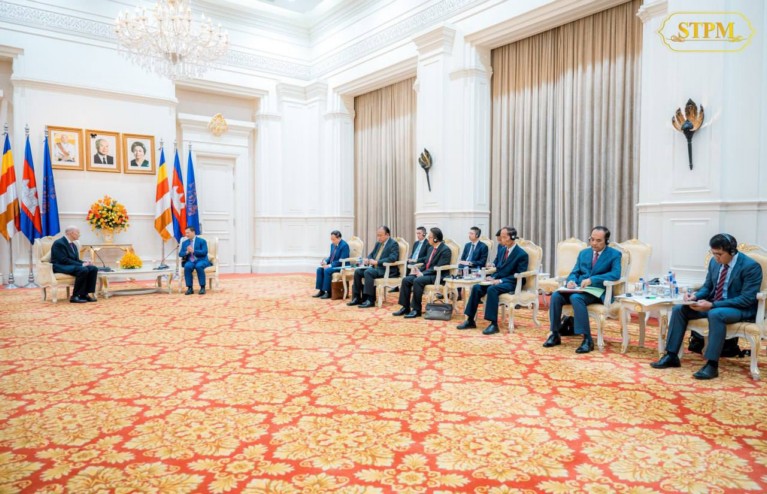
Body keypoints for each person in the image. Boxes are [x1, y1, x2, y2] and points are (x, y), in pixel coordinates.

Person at [650, 233, 763, 379]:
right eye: (713, 253)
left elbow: (746, 299)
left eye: (719, 254)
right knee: (679, 309)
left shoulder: (751, 267)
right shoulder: (714, 262)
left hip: (739, 308)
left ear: (732, 251)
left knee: (716, 314)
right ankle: (671, 355)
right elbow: (708, 287)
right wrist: (695, 297)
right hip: (714, 304)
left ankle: (711, 365)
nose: (716, 258)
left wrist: (712, 305)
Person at [542, 226, 621, 353]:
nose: (594, 243)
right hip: (579, 288)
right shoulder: (584, 253)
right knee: (556, 295)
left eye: (598, 241)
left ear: (606, 241)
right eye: (592, 239)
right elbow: (575, 272)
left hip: (598, 291)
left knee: (576, 298)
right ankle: (555, 334)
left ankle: (587, 339)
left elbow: (615, 274)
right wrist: (571, 281)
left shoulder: (615, 254)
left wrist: (593, 279)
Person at [457, 226, 528, 334]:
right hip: (497, 279)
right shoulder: (502, 250)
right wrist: (492, 277)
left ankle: (493, 324)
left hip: (511, 282)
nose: (501, 239)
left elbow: (519, 275)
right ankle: (470, 320)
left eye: (504, 237)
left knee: (492, 289)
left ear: (512, 237)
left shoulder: (522, 254)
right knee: (476, 287)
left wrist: (500, 281)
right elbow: (499, 268)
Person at [392, 227, 451, 318]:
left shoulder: (445, 250)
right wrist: (418, 270)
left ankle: (416, 310)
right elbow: (427, 264)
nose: (428, 239)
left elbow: (439, 267)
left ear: (435, 239)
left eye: (429, 237)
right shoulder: (431, 248)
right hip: (427, 273)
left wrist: (422, 274)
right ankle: (405, 307)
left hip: (437, 276)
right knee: (406, 280)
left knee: (417, 281)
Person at [347, 225, 400, 308]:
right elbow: (371, 254)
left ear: (387, 235)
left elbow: (393, 258)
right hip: (375, 268)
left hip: (386, 270)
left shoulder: (393, 244)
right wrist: (368, 259)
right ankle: (357, 298)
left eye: (380, 235)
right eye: (377, 235)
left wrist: (377, 262)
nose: (378, 237)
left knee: (368, 272)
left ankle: (370, 300)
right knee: (358, 272)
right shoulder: (378, 243)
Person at [50, 225, 98, 303]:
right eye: (78, 232)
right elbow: (63, 260)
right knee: (82, 269)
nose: (79, 234)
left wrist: (85, 263)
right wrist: (81, 265)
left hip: (70, 265)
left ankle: (84, 294)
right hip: (60, 266)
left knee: (93, 268)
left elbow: (76, 260)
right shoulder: (59, 243)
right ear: (71, 233)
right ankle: (75, 296)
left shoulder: (73, 245)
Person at [313, 230, 350, 299]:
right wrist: (325, 262)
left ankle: (328, 292)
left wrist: (329, 265)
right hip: (333, 265)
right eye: (331, 239)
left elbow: (341, 260)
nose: (332, 241)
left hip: (341, 266)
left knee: (327, 270)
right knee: (319, 269)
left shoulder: (344, 246)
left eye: (333, 239)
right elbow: (331, 257)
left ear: (339, 238)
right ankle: (321, 291)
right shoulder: (332, 245)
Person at [392, 226, 429, 293]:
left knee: (407, 265)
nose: (417, 235)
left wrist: (416, 260)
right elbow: (413, 254)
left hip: (420, 262)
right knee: (402, 263)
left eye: (419, 233)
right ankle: (397, 284)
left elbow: (427, 257)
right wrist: (410, 258)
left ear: (424, 234)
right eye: (417, 233)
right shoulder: (416, 243)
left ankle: (406, 285)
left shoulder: (428, 243)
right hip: (412, 261)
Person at [456, 226, 489, 300]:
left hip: (474, 268)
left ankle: (473, 296)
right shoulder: (467, 245)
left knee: (463, 269)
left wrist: (470, 263)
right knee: (458, 269)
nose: (469, 235)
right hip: (463, 267)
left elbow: (482, 262)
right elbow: (463, 258)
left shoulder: (483, 246)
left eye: (471, 233)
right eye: (469, 233)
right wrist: (462, 262)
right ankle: (458, 293)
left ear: (477, 235)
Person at [179, 226, 211, 295]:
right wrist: (187, 252)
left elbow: (204, 252)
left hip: (201, 260)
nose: (186, 234)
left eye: (188, 233)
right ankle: (190, 288)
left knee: (199, 266)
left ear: (193, 232)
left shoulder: (202, 241)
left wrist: (193, 251)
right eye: (186, 233)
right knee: (187, 266)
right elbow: (180, 254)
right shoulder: (185, 243)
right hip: (190, 261)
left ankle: (202, 287)